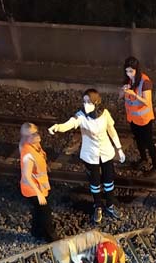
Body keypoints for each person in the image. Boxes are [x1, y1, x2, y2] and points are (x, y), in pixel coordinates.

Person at [49, 89, 125, 225]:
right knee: (95, 182)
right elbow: (69, 124)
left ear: (96, 102)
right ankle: (98, 206)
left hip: (106, 153)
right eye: (84, 101)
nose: (86, 104)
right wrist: (58, 127)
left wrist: (119, 149)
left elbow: (112, 131)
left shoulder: (105, 114)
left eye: (89, 101)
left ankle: (110, 204)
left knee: (109, 180)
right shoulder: (81, 116)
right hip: (90, 155)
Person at [120, 56, 156, 175]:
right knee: (138, 140)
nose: (129, 74)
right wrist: (123, 90)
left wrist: (134, 94)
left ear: (137, 70)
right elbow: (121, 96)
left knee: (148, 142)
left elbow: (147, 102)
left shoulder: (145, 82)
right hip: (133, 118)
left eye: (131, 71)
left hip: (144, 119)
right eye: (127, 71)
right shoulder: (128, 81)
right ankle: (143, 159)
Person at [18, 123, 55, 241]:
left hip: (39, 186)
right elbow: (27, 176)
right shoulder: (28, 155)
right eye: (33, 134)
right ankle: (51, 238)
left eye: (37, 131)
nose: (37, 135)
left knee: (39, 210)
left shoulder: (35, 145)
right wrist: (38, 194)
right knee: (45, 212)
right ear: (27, 137)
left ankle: (36, 232)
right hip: (32, 189)